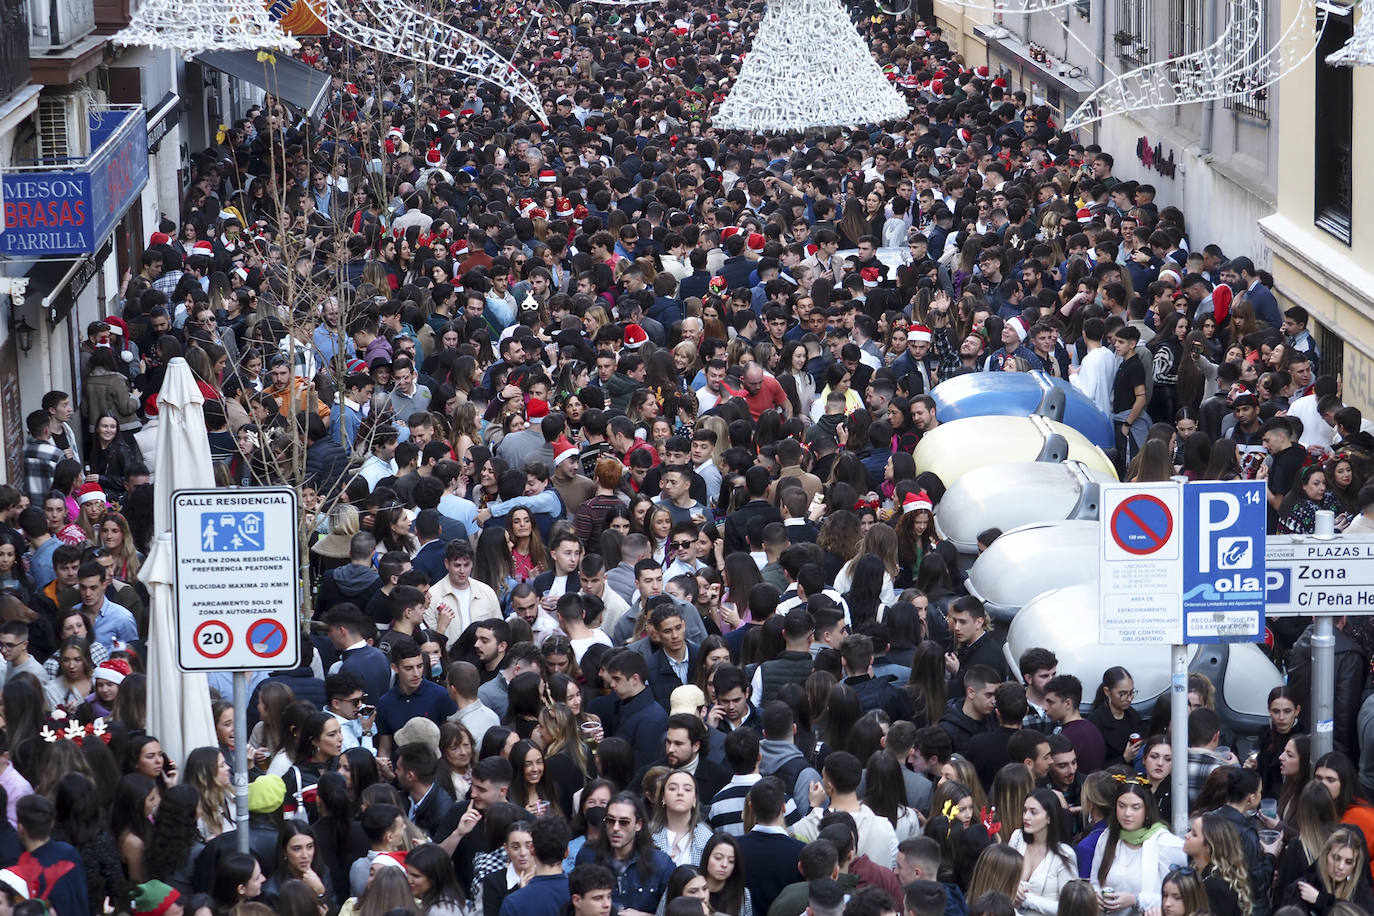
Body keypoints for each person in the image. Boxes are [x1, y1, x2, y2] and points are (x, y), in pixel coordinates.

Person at [1089, 780, 1185, 915]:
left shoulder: (1166, 843)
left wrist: (1136, 900)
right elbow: (1094, 881)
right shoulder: (1107, 837)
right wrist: (1097, 895)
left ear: (1147, 809)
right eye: (1121, 806)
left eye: (1135, 807)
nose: (1127, 813)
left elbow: (1179, 899)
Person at [1007, 788, 1077, 914]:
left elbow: (1070, 908)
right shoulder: (1017, 838)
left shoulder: (1065, 854)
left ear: (1049, 817)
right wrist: (1012, 888)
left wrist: (1028, 899)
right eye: (1025, 811)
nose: (1026, 817)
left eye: (1033, 812)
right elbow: (1003, 879)